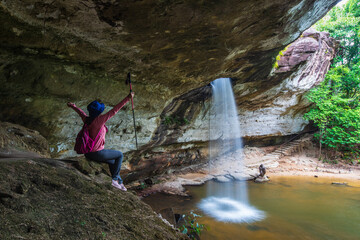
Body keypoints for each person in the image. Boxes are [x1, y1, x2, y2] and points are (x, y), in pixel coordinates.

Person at [67, 92, 134, 191]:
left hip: (88, 154)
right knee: (119, 155)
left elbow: (80, 112)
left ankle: (119, 181)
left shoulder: (87, 119)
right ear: (99, 112)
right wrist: (128, 98)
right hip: (97, 153)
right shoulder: (99, 120)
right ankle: (115, 180)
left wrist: (73, 106)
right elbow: (114, 110)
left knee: (113, 162)